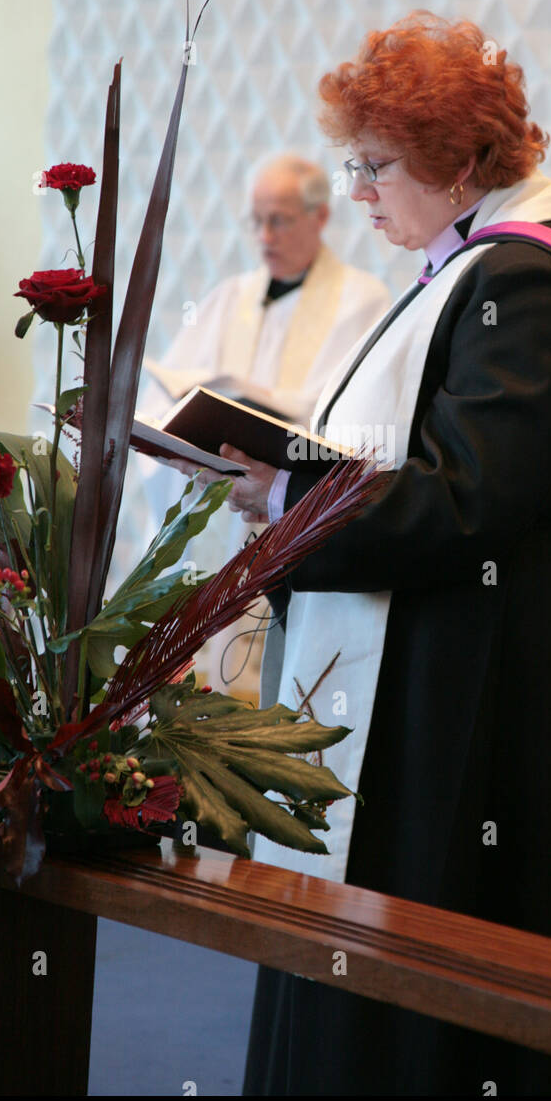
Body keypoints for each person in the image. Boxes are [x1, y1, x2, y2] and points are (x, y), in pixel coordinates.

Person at [216, 12, 551, 1096]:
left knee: (443, 992)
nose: (360, 188)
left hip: (486, 692)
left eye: (377, 164)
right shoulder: (465, 270)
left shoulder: (525, 280)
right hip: (459, 661)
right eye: (353, 161)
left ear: (466, 160)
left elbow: (468, 496)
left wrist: (288, 493)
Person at [138, 153, 390, 696]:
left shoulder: (363, 301)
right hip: (215, 511)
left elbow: (351, 424)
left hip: (286, 511)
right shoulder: (228, 297)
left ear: (320, 217)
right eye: (256, 220)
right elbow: (170, 385)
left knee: (265, 686)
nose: (264, 234)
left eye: (279, 219)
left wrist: (267, 407)